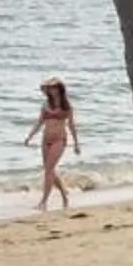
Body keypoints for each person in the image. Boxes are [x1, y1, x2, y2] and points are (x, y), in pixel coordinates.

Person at [24, 78, 82, 211]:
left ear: (60, 89)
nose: (51, 90)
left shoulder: (67, 106)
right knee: (49, 170)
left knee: (49, 170)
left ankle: (43, 202)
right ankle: (64, 195)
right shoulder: (46, 104)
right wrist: (30, 136)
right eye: (50, 88)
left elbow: (72, 125)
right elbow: (39, 123)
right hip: (45, 140)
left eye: (54, 87)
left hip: (59, 140)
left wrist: (76, 144)